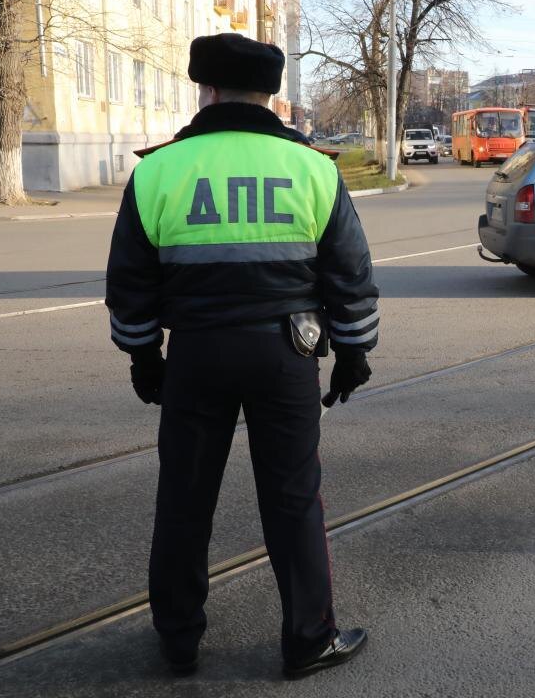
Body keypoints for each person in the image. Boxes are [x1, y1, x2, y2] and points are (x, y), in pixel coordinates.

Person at [105, 33, 378, 679]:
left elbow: (130, 283)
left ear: (206, 89)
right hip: (286, 354)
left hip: (196, 355)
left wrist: (144, 357)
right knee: (293, 498)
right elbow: (349, 274)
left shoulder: (159, 170)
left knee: (184, 497)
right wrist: (354, 350)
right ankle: (308, 640)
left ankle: (178, 640)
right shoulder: (313, 168)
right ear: (271, 94)